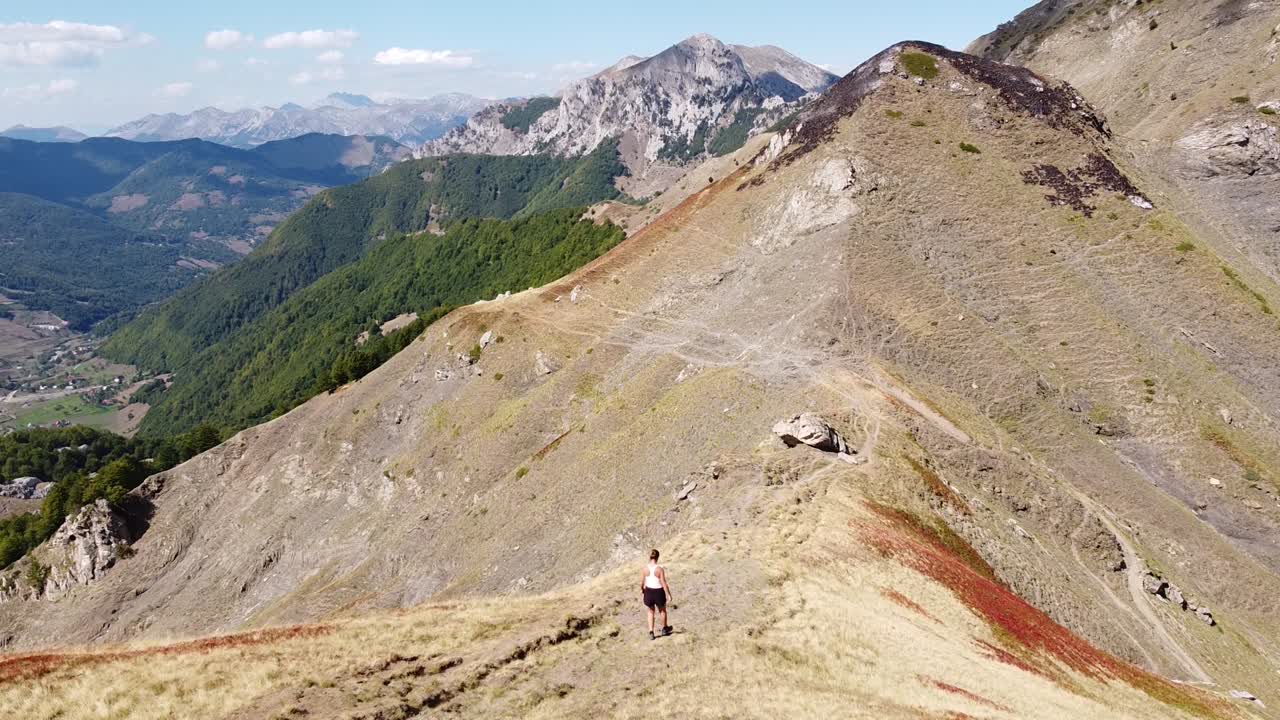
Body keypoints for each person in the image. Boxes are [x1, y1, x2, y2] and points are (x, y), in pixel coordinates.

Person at [641, 548, 672, 640]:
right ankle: (664, 629)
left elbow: (642, 582)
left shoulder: (645, 568)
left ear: (650, 557)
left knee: (651, 611)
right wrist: (668, 594)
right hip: (658, 592)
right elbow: (663, 582)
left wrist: (642, 589)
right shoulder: (659, 569)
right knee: (662, 610)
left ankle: (651, 632)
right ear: (657, 557)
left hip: (648, 592)